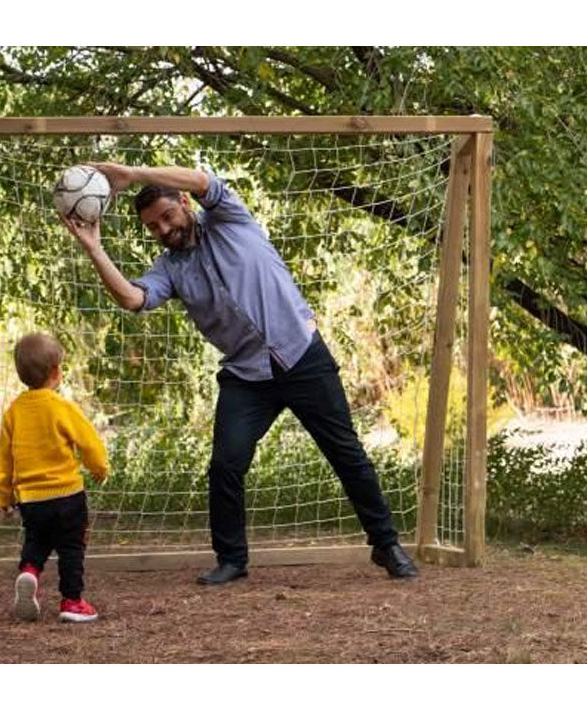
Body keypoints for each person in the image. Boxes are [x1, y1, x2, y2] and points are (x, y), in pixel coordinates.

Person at [60, 163, 418, 585]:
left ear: (184, 203)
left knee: (347, 454)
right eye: (153, 226)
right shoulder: (170, 269)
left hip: (302, 356)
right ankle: (232, 560)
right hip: (247, 376)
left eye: (167, 216)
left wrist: (134, 174)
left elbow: (201, 179)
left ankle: (387, 545)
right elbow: (132, 299)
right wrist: (93, 248)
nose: (162, 229)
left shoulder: (229, 216)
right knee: (226, 465)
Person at [0, 332, 110, 621]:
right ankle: (72, 602)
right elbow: (89, 442)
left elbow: (3, 458)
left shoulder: (13, 412)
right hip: (68, 495)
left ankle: (29, 572)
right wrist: (99, 469)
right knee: (71, 549)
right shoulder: (63, 407)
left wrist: (4, 495)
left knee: (36, 541)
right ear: (57, 371)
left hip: (31, 500)